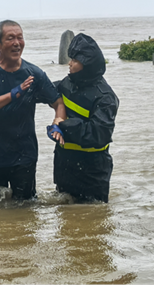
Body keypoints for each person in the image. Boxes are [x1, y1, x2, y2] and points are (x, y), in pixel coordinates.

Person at [0, 20, 66, 200]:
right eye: (10, 38)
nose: (17, 43)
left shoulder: (34, 74)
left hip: (24, 155)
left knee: (25, 211)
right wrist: (13, 94)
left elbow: (58, 103)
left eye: (20, 38)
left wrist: (58, 122)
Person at [48, 33, 119, 202]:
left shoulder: (106, 97)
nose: (69, 63)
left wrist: (63, 125)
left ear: (86, 65)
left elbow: (98, 134)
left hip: (92, 171)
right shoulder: (68, 83)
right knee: (65, 220)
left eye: (74, 60)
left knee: (93, 220)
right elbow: (47, 90)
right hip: (64, 166)